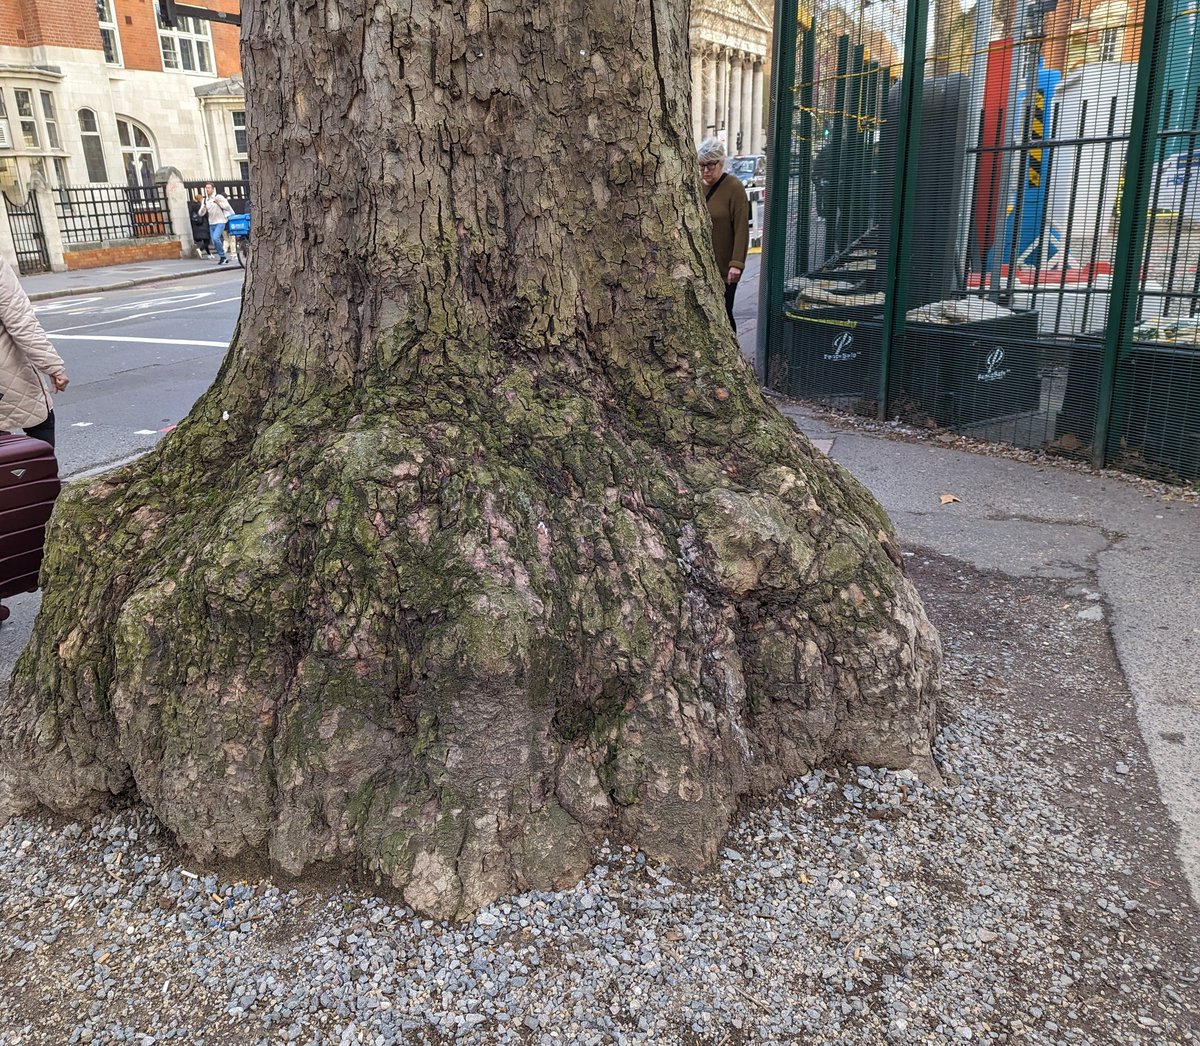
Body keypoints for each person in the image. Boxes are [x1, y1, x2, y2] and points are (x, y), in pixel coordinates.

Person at [0, 256, 69, 450]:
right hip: (7, 372)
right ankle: (42, 478)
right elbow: (21, 322)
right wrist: (53, 366)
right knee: (41, 420)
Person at [698, 137, 750, 330]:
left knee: (724, 313)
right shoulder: (697, 186)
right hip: (701, 265)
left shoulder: (733, 187)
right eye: (702, 166)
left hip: (724, 268)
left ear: (721, 163)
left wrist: (736, 263)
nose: (705, 171)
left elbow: (741, 228)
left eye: (710, 165)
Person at [199, 182, 235, 265]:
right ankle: (223, 258)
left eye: (209, 188)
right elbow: (201, 213)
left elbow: (227, 206)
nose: (207, 190)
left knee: (215, 238)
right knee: (214, 241)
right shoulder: (205, 200)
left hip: (220, 221)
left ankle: (222, 256)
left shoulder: (218, 197)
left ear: (213, 189)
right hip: (211, 223)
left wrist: (218, 203)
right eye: (206, 188)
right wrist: (203, 208)